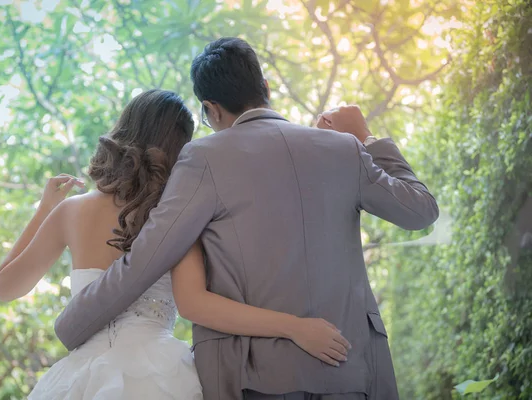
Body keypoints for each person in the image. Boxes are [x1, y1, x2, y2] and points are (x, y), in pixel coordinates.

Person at [53, 38, 439, 400]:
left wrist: (72, 323)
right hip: (354, 368)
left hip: (251, 376)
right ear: (266, 86)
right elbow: (420, 210)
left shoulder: (204, 158)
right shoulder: (344, 149)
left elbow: (148, 256)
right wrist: (367, 138)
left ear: (211, 109)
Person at [0, 89, 350, 399]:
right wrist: (294, 326)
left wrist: (44, 210)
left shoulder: (71, 212)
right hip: (161, 377)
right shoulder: (175, 218)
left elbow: (5, 286)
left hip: (80, 381)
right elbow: (196, 304)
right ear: (179, 148)